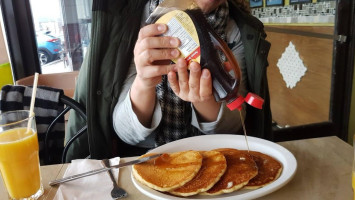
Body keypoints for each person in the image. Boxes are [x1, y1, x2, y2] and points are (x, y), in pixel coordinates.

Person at [65, 0, 272, 161]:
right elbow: (125, 132)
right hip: (139, 161)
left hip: (212, 157)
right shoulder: (132, 22)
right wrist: (144, 82)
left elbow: (234, 124)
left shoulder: (238, 31)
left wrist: (204, 97)